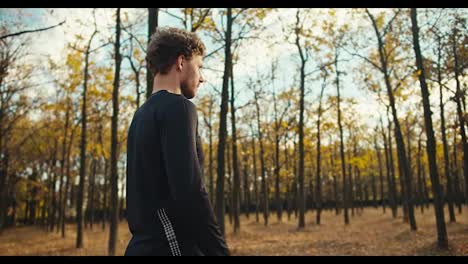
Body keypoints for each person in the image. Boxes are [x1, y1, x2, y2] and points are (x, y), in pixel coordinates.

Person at [124, 27, 230, 256]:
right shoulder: (179, 108)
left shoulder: (140, 116)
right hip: (171, 247)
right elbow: (191, 192)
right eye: (199, 66)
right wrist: (219, 251)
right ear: (181, 62)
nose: (202, 77)